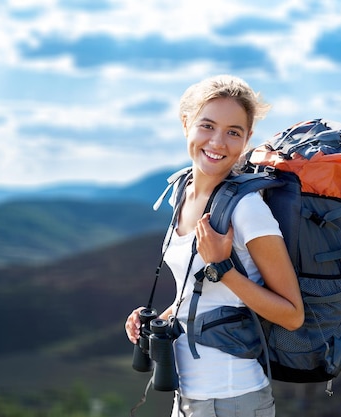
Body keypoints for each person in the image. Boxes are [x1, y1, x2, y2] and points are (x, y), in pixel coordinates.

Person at [124, 75, 304, 417]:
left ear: (247, 138)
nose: (218, 142)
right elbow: (197, 295)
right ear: (185, 124)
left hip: (234, 396)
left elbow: (292, 315)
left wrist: (223, 268)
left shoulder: (248, 209)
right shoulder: (182, 192)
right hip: (188, 395)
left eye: (234, 132)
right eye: (207, 126)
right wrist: (156, 320)